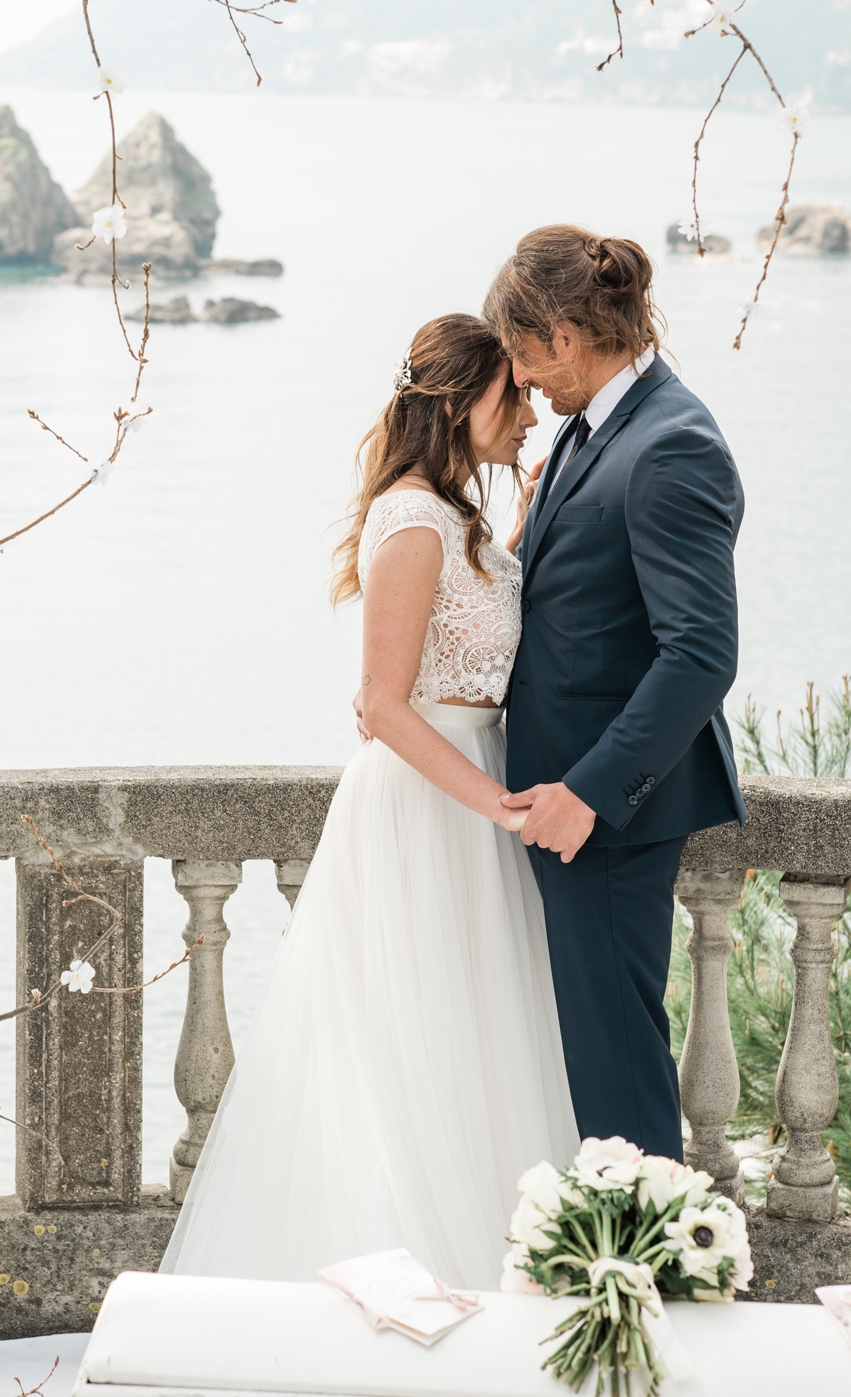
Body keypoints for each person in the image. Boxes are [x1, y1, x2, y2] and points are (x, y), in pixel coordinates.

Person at [160, 313, 578, 1288]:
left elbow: (486, 608)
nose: (528, 410)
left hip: (469, 800)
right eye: (511, 393)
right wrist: (500, 805)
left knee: (478, 1041)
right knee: (411, 1051)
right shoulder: (411, 520)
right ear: (459, 399)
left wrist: (533, 499)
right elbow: (383, 706)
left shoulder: (457, 516)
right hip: (428, 810)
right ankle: (418, 1282)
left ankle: (486, 1269)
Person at [483, 224, 746, 1162]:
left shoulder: (671, 446)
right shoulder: (595, 431)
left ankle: (643, 1281)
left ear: (561, 334)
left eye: (519, 353)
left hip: (603, 815)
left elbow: (703, 651)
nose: (519, 380)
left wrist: (588, 793)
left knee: (617, 1072)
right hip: (563, 805)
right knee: (589, 1060)